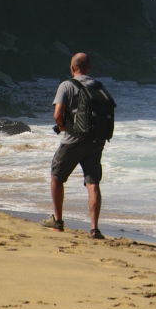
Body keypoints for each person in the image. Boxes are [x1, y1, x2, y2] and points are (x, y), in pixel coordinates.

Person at [41, 52, 107, 239]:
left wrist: (62, 127)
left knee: (57, 176)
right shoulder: (98, 86)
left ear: (72, 68)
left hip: (72, 140)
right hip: (96, 141)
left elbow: (57, 114)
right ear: (90, 68)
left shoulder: (67, 85)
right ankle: (94, 229)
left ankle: (58, 220)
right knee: (93, 182)